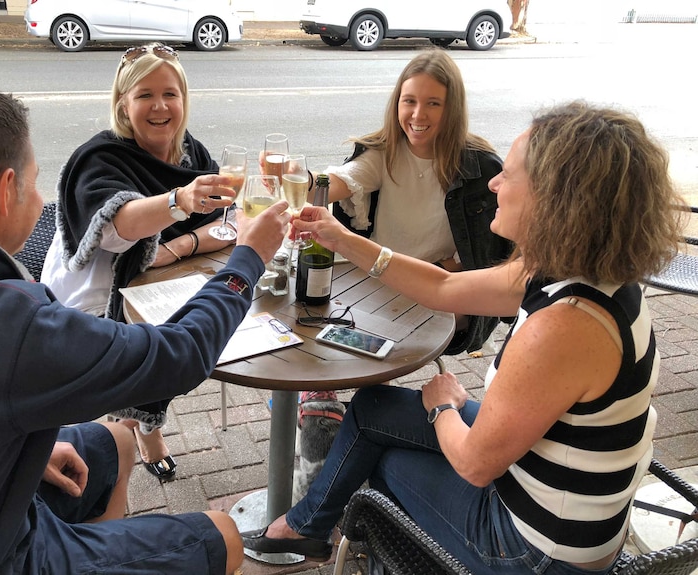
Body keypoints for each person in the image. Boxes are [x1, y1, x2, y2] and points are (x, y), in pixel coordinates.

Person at [0, 79, 290, 575]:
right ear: (3, 191)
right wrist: (248, 259)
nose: (39, 200)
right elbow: (179, 357)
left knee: (115, 441)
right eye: (32, 183)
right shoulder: (9, 324)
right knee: (223, 537)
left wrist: (20, 450)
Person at [243, 101, 684, 574]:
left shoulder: (567, 325)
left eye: (508, 176)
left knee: (378, 462)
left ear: (555, 200)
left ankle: (351, 542)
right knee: (373, 409)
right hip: (543, 484)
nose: (493, 183)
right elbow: (444, 287)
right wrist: (341, 238)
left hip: (535, 550)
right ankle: (309, 529)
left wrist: (443, 406)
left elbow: (475, 465)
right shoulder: (583, 271)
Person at [41, 43, 236, 480]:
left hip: (161, 279)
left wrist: (176, 247)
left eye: (171, 93)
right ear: (123, 104)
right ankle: (129, 434)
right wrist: (178, 202)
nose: (160, 105)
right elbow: (115, 228)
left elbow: (227, 224)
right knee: (171, 344)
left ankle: (136, 424)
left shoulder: (192, 156)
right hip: (92, 296)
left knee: (198, 330)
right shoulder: (102, 157)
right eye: (145, 94)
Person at [321, 49, 511, 355]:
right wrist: (300, 180)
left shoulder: (482, 170)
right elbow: (341, 181)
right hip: (377, 279)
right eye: (409, 101)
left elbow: (488, 260)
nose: (418, 115)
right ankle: (336, 390)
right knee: (313, 305)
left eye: (433, 103)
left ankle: (363, 390)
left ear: (453, 109)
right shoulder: (383, 152)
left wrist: (431, 271)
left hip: (441, 287)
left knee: (372, 336)